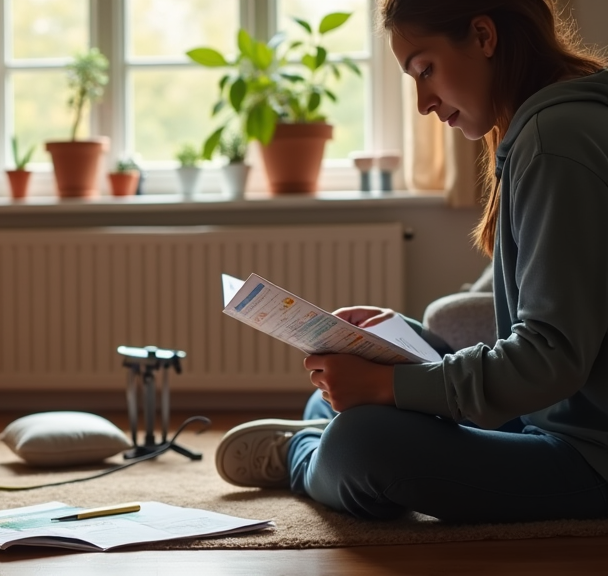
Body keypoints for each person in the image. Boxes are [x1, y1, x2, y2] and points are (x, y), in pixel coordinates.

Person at [215, 0, 608, 523]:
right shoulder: (555, 123)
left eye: (426, 70)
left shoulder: (555, 139)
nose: (423, 102)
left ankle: (300, 457)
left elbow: (548, 360)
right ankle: (324, 427)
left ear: (484, 36)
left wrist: (388, 387)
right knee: (352, 388)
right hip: (552, 415)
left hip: (589, 456)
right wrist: (397, 360)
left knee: (364, 440)